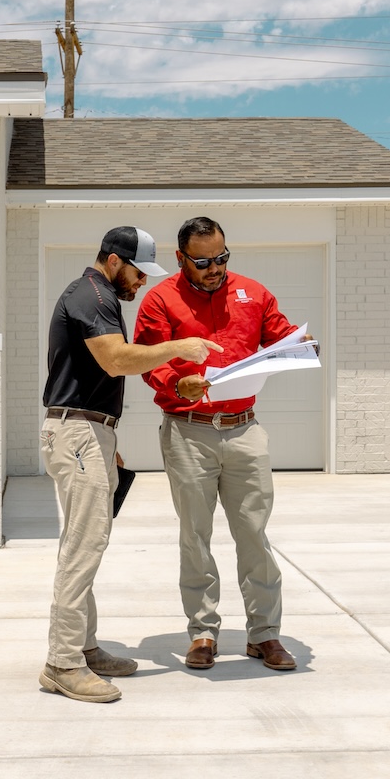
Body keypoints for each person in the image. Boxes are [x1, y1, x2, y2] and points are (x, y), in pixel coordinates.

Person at [39, 226, 223, 704]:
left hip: (88, 430)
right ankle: (63, 663)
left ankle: (84, 648)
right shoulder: (91, 296)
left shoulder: (97, 296)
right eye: (140, 273)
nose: (141, 283)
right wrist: (178, 347)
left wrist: (106, 438)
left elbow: (98, 371)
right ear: (116, 260)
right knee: (83, 547)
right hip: (78, 430)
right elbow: (117, 361)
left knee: (84, 543)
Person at [133, 216, 308, 672]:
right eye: (204, 261)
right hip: (188, 430)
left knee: (254, 533)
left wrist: (299, 345)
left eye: (222, 258)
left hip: (245, 429)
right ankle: (203, 633)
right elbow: (150, 362)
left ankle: (265, 634)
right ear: (181, 259)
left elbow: (280, 338)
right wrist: (178, 383)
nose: (215, 268)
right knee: (195, 536)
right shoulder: (159, 299)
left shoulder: (254, 293)